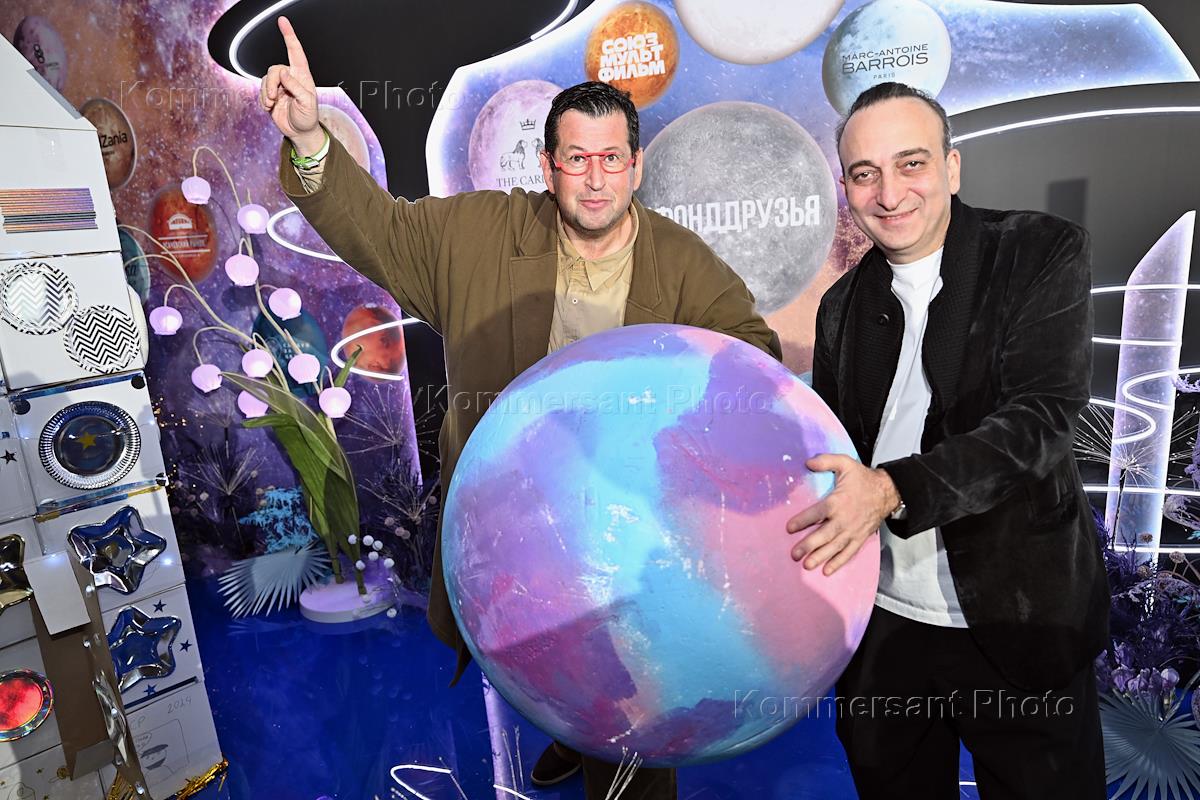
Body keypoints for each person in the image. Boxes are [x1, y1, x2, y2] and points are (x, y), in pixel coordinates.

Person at [259, 16, 781, 800]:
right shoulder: (479, 234)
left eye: (612, 159)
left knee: (632, 722)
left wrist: (684, 429)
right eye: (576, 159)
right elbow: (379, 230)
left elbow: (750, 356)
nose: (595, 180)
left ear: (637, 166)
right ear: (548, 165)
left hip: (626, 531)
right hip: (516, 533)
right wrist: (309, 140)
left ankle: (609, 752)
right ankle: (572, 734)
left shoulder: (679, 260)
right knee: (547, 667)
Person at [785, 82, 1110, 799]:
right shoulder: (841, 306)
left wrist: (893, 489)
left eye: (911, 163)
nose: (889, 193)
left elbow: (1042, 418)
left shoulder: (1038, 251)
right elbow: (835, 451)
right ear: (847, 189)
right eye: (865, 173)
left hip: (1017, 622)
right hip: (885, 632)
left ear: (952, 167)